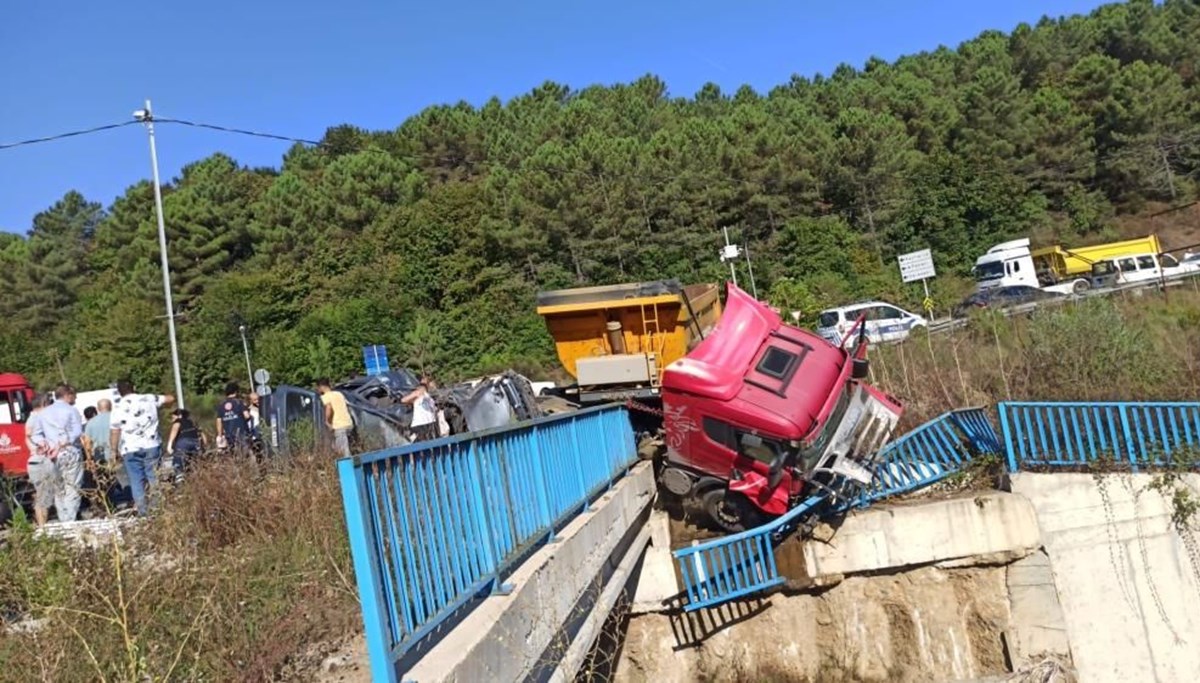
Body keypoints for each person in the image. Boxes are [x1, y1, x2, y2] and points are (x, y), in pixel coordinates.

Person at [109, 379, 174, 516]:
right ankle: (157, 509)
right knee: (154, 478)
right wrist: (165, 405)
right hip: (151, 445)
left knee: (136, 481)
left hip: (130, 448)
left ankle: (143, 512)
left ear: (119, 393)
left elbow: (115, 431)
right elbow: (170, 399)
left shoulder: (117, 408)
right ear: (134, 387)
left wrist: (114, 451)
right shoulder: (148, 398)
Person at [29, 384, 85, 522]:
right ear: (67, 395)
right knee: (72, 487)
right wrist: (66, 441)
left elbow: (35, 435)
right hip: (70, 451)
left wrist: (44, 443)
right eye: (74, 395)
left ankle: (63, 519)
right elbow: (78, 432)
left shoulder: (43, 413)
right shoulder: (71, 410)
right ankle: (70, 521)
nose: (76, 398)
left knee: (58, 490)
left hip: (51, 455)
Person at [23, 394, 56, 527]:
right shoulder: (38, 418)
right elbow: (29, 435)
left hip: (35, 461)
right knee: (44, 497)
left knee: (42, 495)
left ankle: (42, 526)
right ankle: (43, 527)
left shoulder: (32, 418)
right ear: (44, 404)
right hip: (42, 460)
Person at [316, 378, 353, 457]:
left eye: (318, 388)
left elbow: (329, 408)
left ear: (322, 387)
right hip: (349, 424)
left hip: (340, 426)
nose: (318, 390)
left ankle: (348, 468)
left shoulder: (326, 396)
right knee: (338, 447)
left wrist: (327, 421)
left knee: (344, 454)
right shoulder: (339, 394)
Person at [167, 409, 207, 480]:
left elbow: (175, 428)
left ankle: (179, 475)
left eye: (173, 417)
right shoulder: (193, 422)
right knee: (194, 461)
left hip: (184, 442)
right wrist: (203, 446)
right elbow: (202, 434)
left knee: (179, 458)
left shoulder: (178, 421)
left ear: (179, 416)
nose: (172, 419)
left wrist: (170, 444)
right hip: (196, 442)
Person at [215, 382, 253, 455]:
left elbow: (219, 421)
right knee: (247, 454)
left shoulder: (221, 405)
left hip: (229, 435)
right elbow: (247, 416)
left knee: (234, 455)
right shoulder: (239, 402)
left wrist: (220, 435)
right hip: (242, 433)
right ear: (236, 391)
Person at [402, 378, 438, 443]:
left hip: (431, 423)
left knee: (433, 443)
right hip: (420, 424)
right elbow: (403, 400)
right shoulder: (418, 393)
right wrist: (415, 395)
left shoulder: (429, 396)